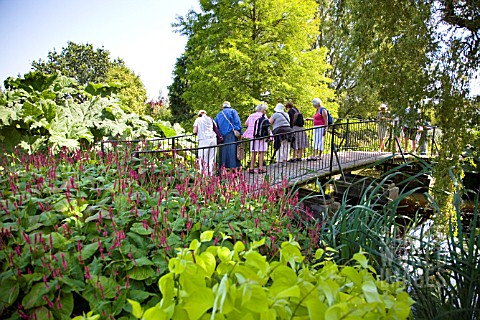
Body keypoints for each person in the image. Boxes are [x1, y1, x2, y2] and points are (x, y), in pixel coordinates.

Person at [215, 101, 243, 171]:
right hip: (231, 134)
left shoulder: (219, 114)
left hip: (222, 136)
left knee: (223, 153)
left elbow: (216, 125)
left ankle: (222, 169)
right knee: (232, 151)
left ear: (223, 106)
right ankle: (233, 169)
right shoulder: (233, 111)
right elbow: (237, 122)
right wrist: (240, 132)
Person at [243, 103, 269, 174]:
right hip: (262, 136)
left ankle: (251, 168)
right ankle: (260, 168)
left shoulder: (251, 115)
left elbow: (246, 124)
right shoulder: (264, 116)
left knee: (254, 152)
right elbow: (267, 125)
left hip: (253, 136)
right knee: (261, 152)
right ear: (262, 110)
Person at [193, 110, 217, 175]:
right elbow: (216, 127)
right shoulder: (211, 119)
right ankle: (211, 174)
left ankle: (204, 175)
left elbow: (195, 131)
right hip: (213, 139)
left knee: (203, 157)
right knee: (212, 157)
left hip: (203, 140)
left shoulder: (198, 120)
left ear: (199, 115)